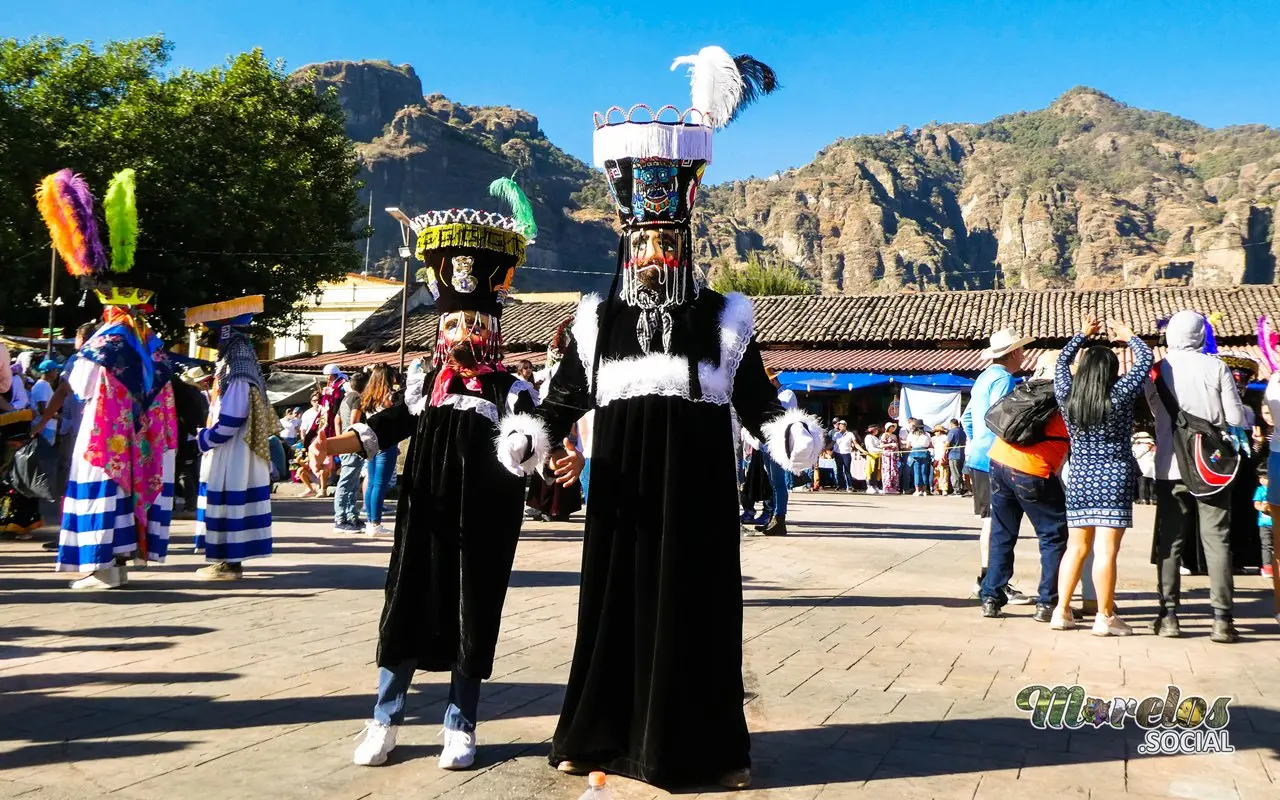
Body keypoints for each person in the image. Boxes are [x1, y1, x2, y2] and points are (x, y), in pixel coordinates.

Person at [495, 48, 809, 791]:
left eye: (666, 243)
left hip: (700, 494)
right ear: (626, 246)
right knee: (614, 608)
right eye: (643, 244)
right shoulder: (595, 320)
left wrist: (787, 433)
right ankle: (598, 737)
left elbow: (756, 398)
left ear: (685, 243)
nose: (654, 254)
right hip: (625, 493)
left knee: (698, 611)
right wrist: (530, 434)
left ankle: (706, 752)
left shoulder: (725, 317)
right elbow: (564, 397)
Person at [313, 177, 540, 771]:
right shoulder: (423, 383)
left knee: (473, 611)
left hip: (486, 520)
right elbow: (389, 425)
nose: (461, 335)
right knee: (407, 606)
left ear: (492, 330)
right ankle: (384, 718)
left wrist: (532, 450)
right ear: (439, 331)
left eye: (473, 325)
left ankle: (460, 724)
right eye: (451, 325)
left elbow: (528, 441)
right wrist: (335, 442)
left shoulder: (509, 387)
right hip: (423, 512)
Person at [43, 167, 179, 588]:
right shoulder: (150, 341)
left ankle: (102, 567)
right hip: (141, 442)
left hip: (104, 435)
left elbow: (80, 386)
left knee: (98, 489)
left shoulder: (105, 341)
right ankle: (117, 565)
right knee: (127, 495)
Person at [1146, 310, 1247, 643]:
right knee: (1217, 539)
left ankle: (1170, 616)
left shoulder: (1157, 370)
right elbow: (1235, 417)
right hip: (1210, 467)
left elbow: (1154, 412)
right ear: (1201, 336)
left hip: (1169, 465)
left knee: (1170, 542)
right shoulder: (1217, 367)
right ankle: (1222, 620)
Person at [1049, 314, 1153, 636]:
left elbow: (1060, 364)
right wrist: (1128, 336)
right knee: (1107, 550)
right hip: (1114, 476)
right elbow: (1146, 360)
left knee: (1076, 548)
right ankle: (1105, 617)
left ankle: (1061, 611)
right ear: (1110, 372)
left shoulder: (1068, 397)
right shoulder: (1120, 396)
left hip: (1079, 476)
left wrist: (1081, 335)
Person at [188, 295, 277, 579]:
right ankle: (228, 560)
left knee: (229, 501)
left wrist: (205, 439)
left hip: (234, 449)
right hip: (236, 448)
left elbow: (233, 415)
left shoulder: (236, 367)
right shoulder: (240, 362)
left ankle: (228, 562)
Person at [980, 351, 1070, 623]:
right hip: (1034, 469)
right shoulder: (1064, 397)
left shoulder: (1025, 387)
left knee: (1002, 532)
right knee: (1053, 535)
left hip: (999, 460)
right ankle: (1047, 601)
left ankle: (991, 597)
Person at [962, 328, 1032, 598]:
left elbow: (969, 418)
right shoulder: (1004, 379)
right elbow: (1001, 418)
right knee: (999, 523)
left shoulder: (983, 378)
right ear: (1014, 352)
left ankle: (986, 577)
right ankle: (993, 582)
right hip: (995, 456)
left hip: (979, 455)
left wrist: (977, 441)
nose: (1024, 355)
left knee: (990, 521)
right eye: (1022, 350)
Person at [755, 370, 798, 535]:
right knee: (772, 482)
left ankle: (779, 518)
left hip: (779, 443)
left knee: (779, 483)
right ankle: (772, 516)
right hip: (766, 443)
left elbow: (780, 413)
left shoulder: (787, 394)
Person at [360, 364, 400, 537]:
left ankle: (371, 521)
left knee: (372, 482)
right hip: (386, 442)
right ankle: (375, 523)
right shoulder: (389, 397)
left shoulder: (368, 397)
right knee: (380, 484)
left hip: (371, 443)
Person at [333, 370, 368, 534]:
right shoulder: (357, 399)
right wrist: (355, 437)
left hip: (346, 443)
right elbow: (354, 420)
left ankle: (351, 515)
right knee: (348, 483)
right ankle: (341, 518)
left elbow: (337, 419)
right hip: (353, 444)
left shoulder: (345, 398)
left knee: (352, 482)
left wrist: (340, 438)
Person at [906, 421, 933, 497]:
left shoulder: (911, 434)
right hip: (924, 452)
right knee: (924, 471)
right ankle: (924, 490)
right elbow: (930, 445)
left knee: (917, 472)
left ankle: (917, 490)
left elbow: (908, 446)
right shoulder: (927, 434)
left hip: (915, 452)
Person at [1255, 466, 1272, 580]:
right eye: (1260, 477)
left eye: (1265, 477)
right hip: (1264, 523)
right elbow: (1256, 503)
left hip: (1276, 523)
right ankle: (1267, 568)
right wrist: (1262, 507)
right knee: (1266, 545)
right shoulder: (1260, 490)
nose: (1262, 480)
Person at [1131, 425, 1156, 504]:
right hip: (1152, 467)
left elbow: (1136, 455)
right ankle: (1152, 499)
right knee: (1151, 484)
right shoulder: (1154, 446)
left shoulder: (1139, 446)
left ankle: (1143, 499)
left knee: (1142, 484)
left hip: (1142, 467)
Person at [831, 419, 855, 491]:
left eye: (843, 424)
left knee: (847, 470)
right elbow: (832, 443)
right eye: (840, 424)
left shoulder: (850, 434)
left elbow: (855, 443)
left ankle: (850, 485)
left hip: (846, 453)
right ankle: (841, 485)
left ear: (846, 426)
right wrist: (824, 449)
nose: (842, 426)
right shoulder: (836, 434)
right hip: (838, 453)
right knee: (839, 470)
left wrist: (862, 450)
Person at [946, 418, 967, 495]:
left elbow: (948, 443)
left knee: (955, 473)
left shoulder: (952, 431)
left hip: (953, 454)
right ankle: (960, 488)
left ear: (951, 424)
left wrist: (944, 450)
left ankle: (957, 490)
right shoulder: (962, 432)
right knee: (959, 473)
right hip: (961, 454)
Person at [880, 423, 901, 494]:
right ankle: (887, 487)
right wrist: (890, 444)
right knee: (887, 470)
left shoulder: (894, 436)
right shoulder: (885, 435)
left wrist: (897, 452)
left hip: (893, 454)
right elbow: (881, 445)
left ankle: (894, 487)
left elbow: (897, 445)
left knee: (894, 470)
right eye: (891, 427)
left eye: (893, 427)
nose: (892, 428)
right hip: (887, 454)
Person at [862, 425, 882, 493]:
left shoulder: (875, 438)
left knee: (876, 471)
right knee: (870, 471)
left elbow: (879, 446)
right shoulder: (868, 437)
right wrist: (880, 450)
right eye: (876, 429)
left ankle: (875, 486)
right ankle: (869, 486)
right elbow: (871, 447)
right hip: (871, 455)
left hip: (877, 455)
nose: (877, 431)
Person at [932, 425, 950, 495]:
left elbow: (946, 447)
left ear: (940, 431)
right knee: (937, 473)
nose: (935, 433)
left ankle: (944, 489)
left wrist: (944, 456)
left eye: (936, 431)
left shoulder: (945, 438)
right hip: (936, 457)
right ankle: (937, 488)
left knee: (944, 474)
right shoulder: (933, 438)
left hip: (943, 457)